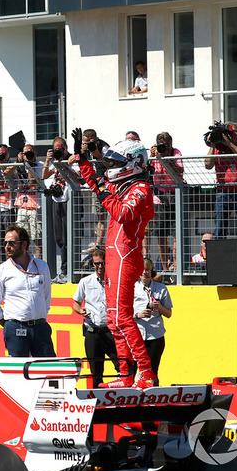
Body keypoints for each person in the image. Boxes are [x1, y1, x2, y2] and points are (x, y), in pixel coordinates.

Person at [73, 129, 157, 389]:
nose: (113, 167)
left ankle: (146, 371)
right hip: (113, 254)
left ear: (133, 164)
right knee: (112, 320)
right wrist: (82, 157)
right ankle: (125, 373)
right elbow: (95, 182)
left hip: (127, 256)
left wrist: (102, 192)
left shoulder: (141, 188)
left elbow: (123, 213)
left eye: (118, 163)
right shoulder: (123, 185)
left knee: (122, 318)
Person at [0, 224, 55, 357]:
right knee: (17, 372)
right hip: (15, 328)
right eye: (5, 243)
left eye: (12, 243)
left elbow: (46, 296)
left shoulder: (42, 265)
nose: (7, 247)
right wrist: (10, 324)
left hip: (40, 327)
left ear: (24, 244)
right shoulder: (1, 270)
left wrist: (39, 317)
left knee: (48, 368)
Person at [72, 249, 119, 387]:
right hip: (93, 331)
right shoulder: (86, 282)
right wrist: (81, 311)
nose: (100, 267)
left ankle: (123, 399)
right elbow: (75, 303)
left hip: (111, 330)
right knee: (96, 371)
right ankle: (98, 402)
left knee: (122, 365)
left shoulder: (114, 281)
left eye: (103, 263)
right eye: (96, 264)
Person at [205, 122, 237, 239]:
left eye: (234, 132)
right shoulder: (217, 148)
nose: (231, 135)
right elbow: (208, 165)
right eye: (228, 133)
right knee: (220, 227)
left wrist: (229, 144)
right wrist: (213, 145)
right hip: (223, 191)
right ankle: (220, 254)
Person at [149, 132, 183, 273]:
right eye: (162, 143)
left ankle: (176, 266)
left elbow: (180, 170)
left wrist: (166, 160)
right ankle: (165, 267)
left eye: (167, 143)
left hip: (174, 193)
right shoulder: (155, 154)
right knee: (161, 234)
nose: (165, 146)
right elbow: (146, 170)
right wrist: (151, 157)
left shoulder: (175, 153)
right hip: (159, 195)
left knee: (176, 234)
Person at [133, 258, 173, 376]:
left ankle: (152, 393)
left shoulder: (161, 288)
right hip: (137, 335)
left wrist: (159, 307)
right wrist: (138, 315)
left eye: (147, 270)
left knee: (153, 371)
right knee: (133, 370)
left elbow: (169, 314)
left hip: (155, 335)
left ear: (151, 271)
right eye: (142, 270)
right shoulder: (132, 288)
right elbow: (123, 314)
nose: (144, 273)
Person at [42, 136, 73, 283]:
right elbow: (44, 175)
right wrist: (48, 161)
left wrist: (65, 166)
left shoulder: (71, 159)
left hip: (69, 201)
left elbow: (78, 177)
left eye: (61, 148)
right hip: (57, 200)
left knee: (69, 239)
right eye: (56, 149)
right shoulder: (54, 160)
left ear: (66, 148)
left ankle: (68, 271)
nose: (58, 151)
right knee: (59, 238)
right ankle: (63, 271)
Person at [11, 144, 44, 258]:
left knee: (37, 238)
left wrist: (29, 164)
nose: (27, 155)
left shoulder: (40, 165)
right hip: (22, 206)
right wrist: (17, 161)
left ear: (35, 153)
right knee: (22, 238)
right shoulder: (19, 165)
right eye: (25, 153)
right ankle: (25, 261)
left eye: (30, 152)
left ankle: (38, 263)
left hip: (35, 206)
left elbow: (32, 181)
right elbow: (6, 172)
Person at [0, 144, 17, 264]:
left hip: (8, 208)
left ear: (8, 154)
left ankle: (12, 263)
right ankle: (1, 264)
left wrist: (5, 168)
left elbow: (13, 185)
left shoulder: (13, 166)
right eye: (0, 154)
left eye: (4, 154)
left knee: (9, 240)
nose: (2, 156)